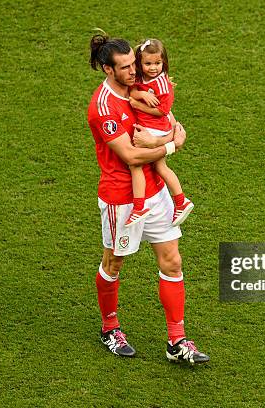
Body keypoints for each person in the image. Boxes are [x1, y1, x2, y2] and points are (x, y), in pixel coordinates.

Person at [87, 32, 209, 364]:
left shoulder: (141, 81)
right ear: (107, 70)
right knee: (114, 263)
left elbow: (163, 115)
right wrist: (173, 144)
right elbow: (130, 156)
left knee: (173, 261)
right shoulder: (103, 109)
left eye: (133, 64)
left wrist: (169, 130)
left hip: (155, 193)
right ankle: (109, 328)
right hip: (122, 200)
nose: (133, 71)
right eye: (125, 67)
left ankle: (176, 341)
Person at [124, 38, 194, 228]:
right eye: (148, 63)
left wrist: (138, 104)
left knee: (136, 164)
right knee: (159, 167)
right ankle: (180, 201)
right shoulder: (140, 76)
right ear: (140, 62)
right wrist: (141, 94)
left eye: (158, 63)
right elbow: (132, 89)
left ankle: (139, 208)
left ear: (164, 62)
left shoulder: (163, 85)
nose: (153, 68)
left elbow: (163, 111)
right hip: (149, 125)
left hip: (155, 127)